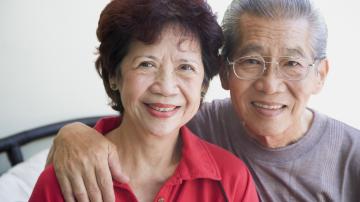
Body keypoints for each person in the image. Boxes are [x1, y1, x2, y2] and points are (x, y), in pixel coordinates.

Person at [47, 0, 360, 201]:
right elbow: (136, 124)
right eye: (251, 61)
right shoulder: (189, 119)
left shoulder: (352, 155)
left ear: (320, 74)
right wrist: (71, 134)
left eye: (292, 64)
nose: (269, 85)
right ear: (223, 73)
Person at [29, 0, 259, 201]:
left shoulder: (232, 180)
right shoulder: (68, 177)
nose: (166, 87)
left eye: (185, 67)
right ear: (113, 76)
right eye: (146, 64)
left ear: (204, 84)